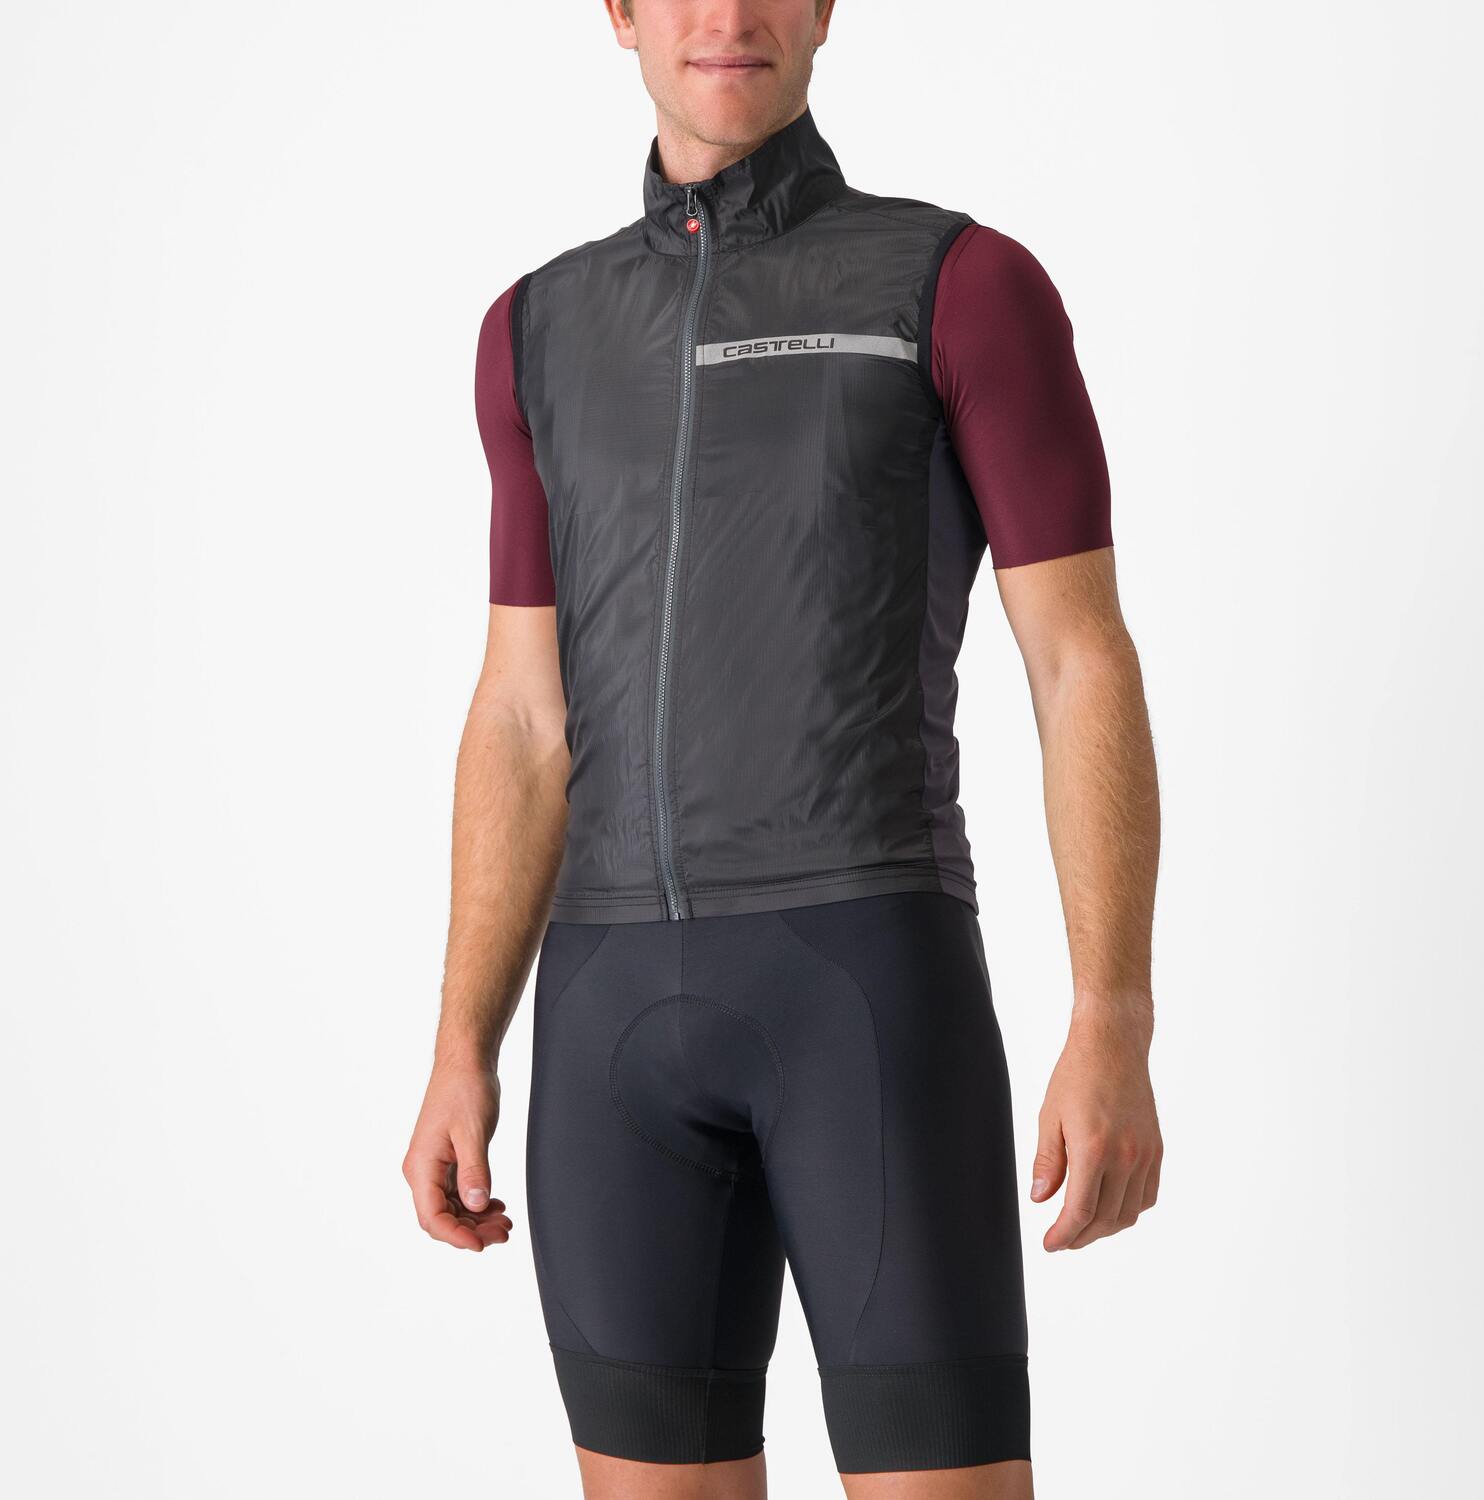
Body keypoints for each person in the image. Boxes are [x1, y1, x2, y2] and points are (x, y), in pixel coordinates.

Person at [402, 2, 1163, 1495]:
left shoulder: (959, 286)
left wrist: (1114, 1015)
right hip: (608, 1024)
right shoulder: (535, 330)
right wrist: (458, 1044)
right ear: (619, 12)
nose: (729, 17)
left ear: (824, 7)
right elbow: (522, 713)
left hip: (864, 1001)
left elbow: (1079, 661)